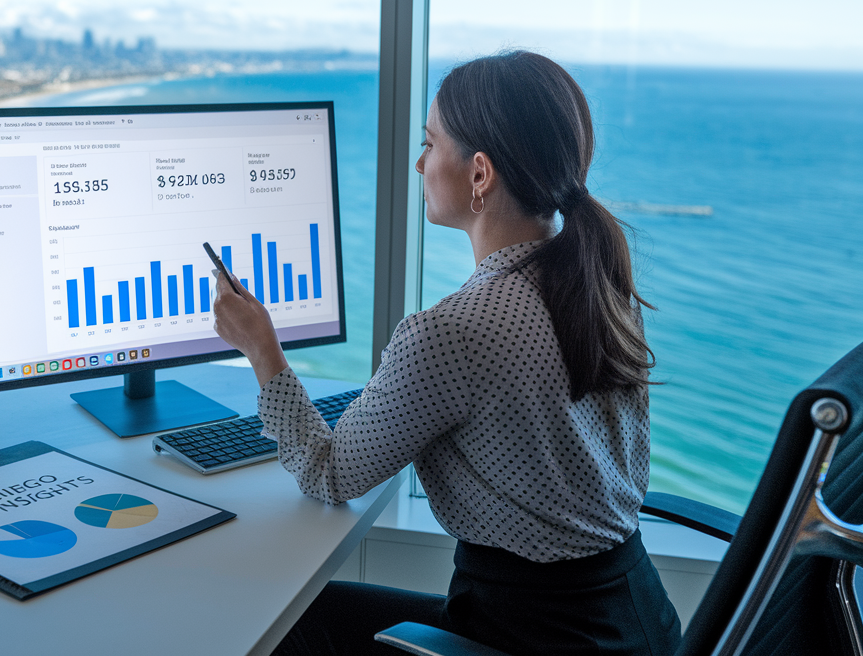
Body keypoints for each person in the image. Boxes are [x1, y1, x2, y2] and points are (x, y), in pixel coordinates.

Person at [211, 51, 682, 656]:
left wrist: (261, 348)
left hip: (528, 639)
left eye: (430, 144)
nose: (419, 162)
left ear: (479, 174)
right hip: (637, 622)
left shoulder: (451, 332)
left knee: (285, 617)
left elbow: (328, 474)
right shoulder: (600, 285)